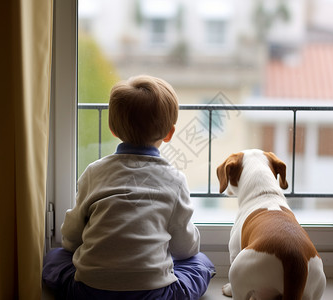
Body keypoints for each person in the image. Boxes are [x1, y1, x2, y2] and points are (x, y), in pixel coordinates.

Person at [43, 75, 215, 300]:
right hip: (156, 294)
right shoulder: (175, 179)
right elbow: (185, 249)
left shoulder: (94, 172)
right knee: (201, 263)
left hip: (89, 292)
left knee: (54, 257)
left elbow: (71, 237)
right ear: (170, 133)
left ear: (112, 128)